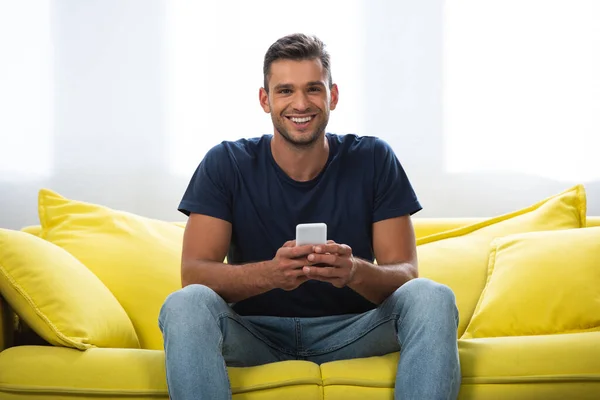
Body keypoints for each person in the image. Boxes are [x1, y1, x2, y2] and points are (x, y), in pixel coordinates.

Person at [159, 33, 461, 400]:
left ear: (332, 96)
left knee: (432, 296)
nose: (300, 103)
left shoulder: (374, 158)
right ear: (264, 99)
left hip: (354, 331)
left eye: (313, 89)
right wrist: (270, 274)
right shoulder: (226, 163)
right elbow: (194, 273)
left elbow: (406, 275)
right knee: (184, 304)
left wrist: (354, 272)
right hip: (254, 334)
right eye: (285, 90)